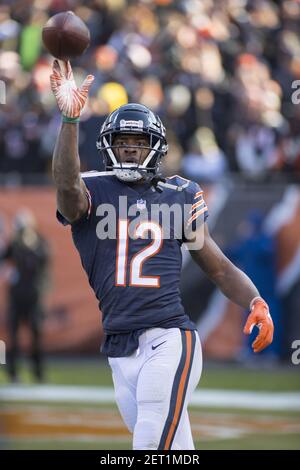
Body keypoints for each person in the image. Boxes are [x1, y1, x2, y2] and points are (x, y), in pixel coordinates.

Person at [50, 60, 274, 450]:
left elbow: (218, 267)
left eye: (139, 144)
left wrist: (254, 299)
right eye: (124, 143)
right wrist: (70, 121)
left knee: (149, 446)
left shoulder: (179, 194)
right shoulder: (92, 189)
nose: (132, 151)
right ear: (108, 147)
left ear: (155, 148)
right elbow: (67, 189)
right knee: (174, 452)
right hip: (119, 347)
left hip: (169, 338)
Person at [0, 210, 49, 382]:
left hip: (33, 297)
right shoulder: (13, 245)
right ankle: (12, 373)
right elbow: (4, 259)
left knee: (36, 336)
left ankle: (38, 373)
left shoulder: (40, 243)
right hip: (16, 298)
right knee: (13, 336)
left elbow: (44, 267)